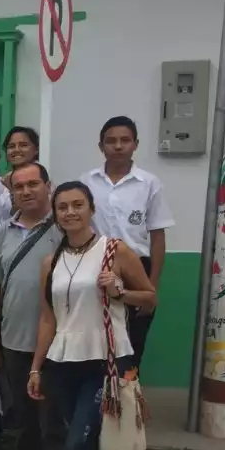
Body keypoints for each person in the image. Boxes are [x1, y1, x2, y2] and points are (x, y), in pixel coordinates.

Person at [28, 181, 157, 450]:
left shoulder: (114, 250)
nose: (70, 212)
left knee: (78, 443)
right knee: (87, 441)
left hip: (106, 361)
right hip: (62, 362)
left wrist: (119, 291)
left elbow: (149, 297)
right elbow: (48, 318)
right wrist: (36, 368)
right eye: (62, 207)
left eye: (78, 205)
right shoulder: (50, 262)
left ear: (92, 209)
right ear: (55, 214)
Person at [78, 116, 172, 369]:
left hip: (137, 268)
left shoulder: (149, 183)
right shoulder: (87, 182)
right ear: (101, 146)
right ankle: (98, 401)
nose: (118, 146)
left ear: (135, 144)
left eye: (125, 140)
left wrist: (151, 287)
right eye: (111, 141)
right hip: (95, 268)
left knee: (131, 348)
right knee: (97, 343)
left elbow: (157, 235)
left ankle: (126, 402)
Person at [0, 162, 61, 450]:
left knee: (54, 423)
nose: (26, 191)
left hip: (59, 345)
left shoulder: (65, 228)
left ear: (48, 186)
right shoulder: (3, 232)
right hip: (14, 342)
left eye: (33, 184)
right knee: (25, 422)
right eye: (19, 186)